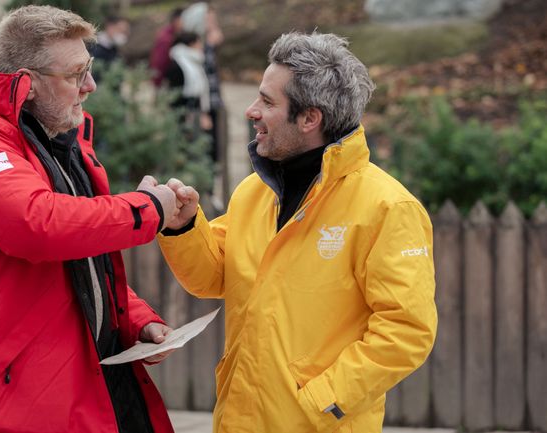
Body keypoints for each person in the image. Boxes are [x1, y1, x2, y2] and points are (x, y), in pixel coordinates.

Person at [157, 32, 438, 432]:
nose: (251, 111)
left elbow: (407, 331)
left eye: (268, 101)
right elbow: (213, 277)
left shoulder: (388, 208)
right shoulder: (254, 192)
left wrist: (323, 400)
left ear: (310, 118)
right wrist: (184, 227)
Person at [0, 6, 178, 433]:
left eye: (89, 70)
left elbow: (80, 261)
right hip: (4, 405)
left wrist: (136, 319)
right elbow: (39, 226)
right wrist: (147, 208)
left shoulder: (61, 144)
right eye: (76, 74)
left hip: (75, 387)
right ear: (27, 83)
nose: (90, 86)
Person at [180, 2, 223, 163]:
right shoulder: (194, 46)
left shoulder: (206, 44)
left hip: (212, 104)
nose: (213, 25)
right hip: (202, 109)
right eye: (209, 20)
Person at [164, 31, 212, 134]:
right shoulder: (176, 65)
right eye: (199, 43)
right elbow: (174, 93)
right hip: (182, 114)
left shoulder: (194, 62)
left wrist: (203, 112)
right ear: (191, 44)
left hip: (194, 112)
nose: (201, 46)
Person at [149, 7, 184, 88]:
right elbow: (159, 63)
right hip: (165, 82)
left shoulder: (176, 34)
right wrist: (157, 83)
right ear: (177, 20)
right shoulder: (166, 38)